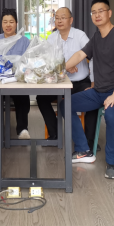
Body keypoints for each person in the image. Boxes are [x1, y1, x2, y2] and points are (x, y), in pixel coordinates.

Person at [62, 0, 114, 180]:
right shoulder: (96, 37)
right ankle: (83, 150)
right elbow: (80, 54)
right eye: (93, 12)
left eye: (101, 11)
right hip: (98, 92)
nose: (97, 15)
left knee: (110, 115)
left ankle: (111, 163)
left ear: (109, 13)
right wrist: (60, 69)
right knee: (65, 105)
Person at [37, 7, 91, 141]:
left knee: (92, 98)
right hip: (58, 82)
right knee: (41, 98)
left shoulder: (80, 35)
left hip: (79, 83)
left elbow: (92, 55)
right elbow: (48, 63)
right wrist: (65, 68)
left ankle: (89, 140)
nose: (59, 21)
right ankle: (55, 133)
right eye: (57, 18)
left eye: (63, 18)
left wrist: (72, 65)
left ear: (71, 20)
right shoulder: (51, 38)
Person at [0, 8, 31, 139]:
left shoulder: (24, 41)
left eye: (11, 22)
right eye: (5, 22)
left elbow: (29, 61)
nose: (8, 25)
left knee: (22, 95)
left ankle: (22, 129)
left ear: (16, 23)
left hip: (17, 80)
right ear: (1, 23)